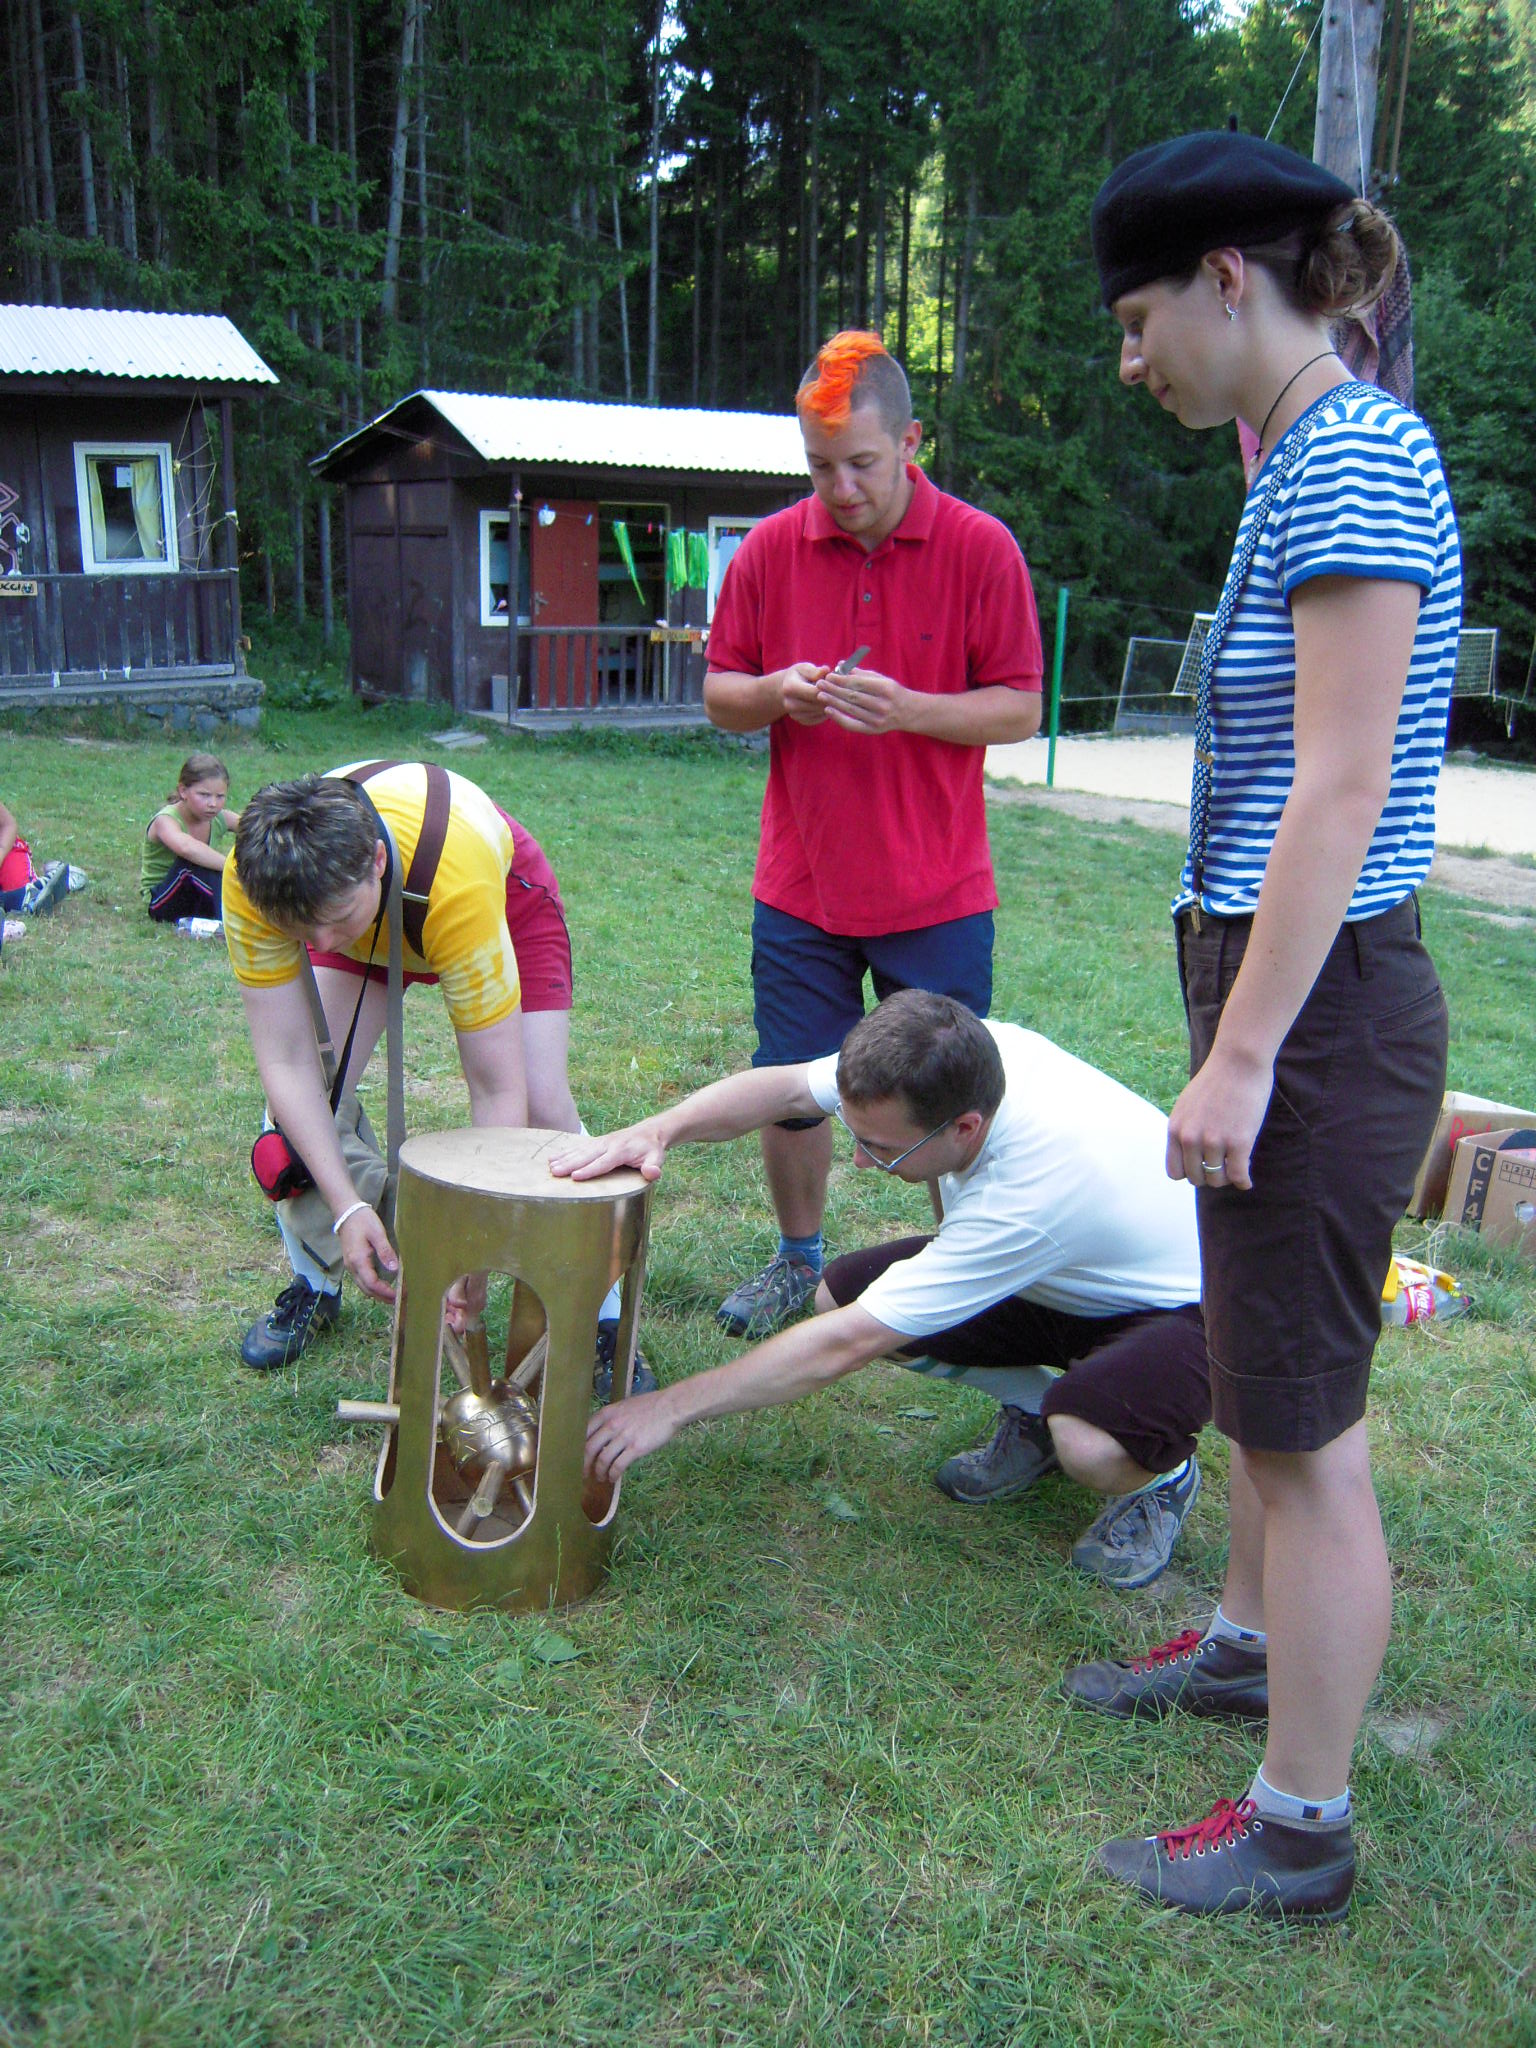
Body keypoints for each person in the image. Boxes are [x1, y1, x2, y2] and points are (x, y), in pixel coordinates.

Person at [1074, 131, 1459, 1922]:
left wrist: (1242, 1050)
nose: (1127, 358)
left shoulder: (1354, 452)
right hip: (1286, 989)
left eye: (1135, 317)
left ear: (1228, 277)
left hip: (1315, 1004)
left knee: (1306, 1439)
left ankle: (1301, 1825)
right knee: (1260, 1381)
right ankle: (1243, 1647)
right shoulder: (1302, 456)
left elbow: (1341, 784)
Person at [554, 991, 1212, 1590]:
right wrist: (658, 1129)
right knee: (839, 1294)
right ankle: (1035, 1410)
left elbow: (845, 1346)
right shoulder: (961, 1057)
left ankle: (1163, 1476)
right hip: (1063, 1276)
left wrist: (669, 1408)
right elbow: (787, 1090)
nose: (861, 1162)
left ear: (965, 1128)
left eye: (882, 1149)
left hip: (1184, 1311)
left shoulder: (1030, 1191)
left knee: (1090, 1445)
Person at [703, 332, 1044, 1341]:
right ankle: (797, 1258)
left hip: (936, 889)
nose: (840, 489)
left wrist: (911, 709)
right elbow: (720, 694)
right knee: (793, 1085)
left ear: (911, 442)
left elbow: (1021, 707)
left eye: (861, 463)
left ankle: (967, 1275)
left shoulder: (980, 548)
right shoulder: (771, 549)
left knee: (953, 1097)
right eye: (820, 467)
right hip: (801, 885)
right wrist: (777, 691)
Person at [225, 761, 650, 1394]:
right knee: (300, 1101)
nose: (322, 943)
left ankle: (602, 1317)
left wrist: (474, 1249)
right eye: (301, 931)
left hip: (484, 896)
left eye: (334, 921)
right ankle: (315, 1279)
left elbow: (496, 1089)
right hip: (358, 899)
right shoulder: (259, 880)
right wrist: (345, 1209)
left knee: (541, 1109)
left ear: (374, 860)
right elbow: (286, 1062)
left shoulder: (458, 879)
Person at [141, 753, 240, 924]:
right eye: (204, 795)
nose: (213, 803)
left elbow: (258, 830)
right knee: (192, 865)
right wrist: (234, 867)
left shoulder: (220, 818)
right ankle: (230, 923)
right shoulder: (165, 820)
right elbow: (187, 848)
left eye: (220, 796)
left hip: (196, 900)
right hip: (162, 901)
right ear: (183, 791)